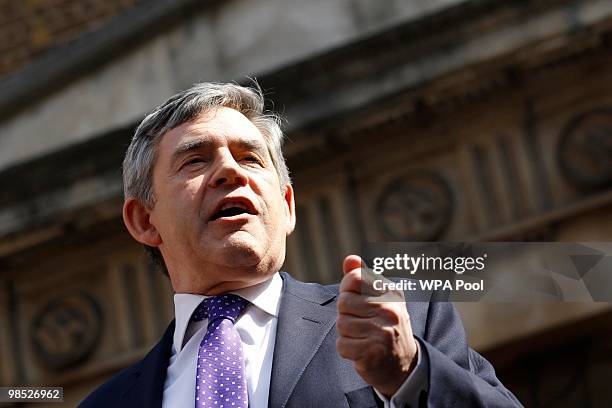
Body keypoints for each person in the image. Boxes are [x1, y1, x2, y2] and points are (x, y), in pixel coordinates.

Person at [80, 82, 522, 407]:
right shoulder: (109, 403)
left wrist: (408, 374)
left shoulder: (409, 320)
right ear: (143, 220)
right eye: (196, 160)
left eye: (250, 157)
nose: (230, 171)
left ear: (287, 205)